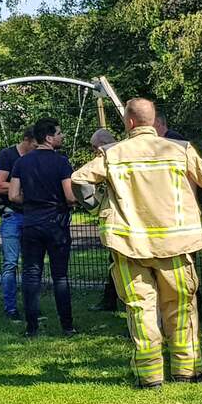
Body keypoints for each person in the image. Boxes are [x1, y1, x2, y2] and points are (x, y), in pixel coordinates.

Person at [72, 98, 202, 388]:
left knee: (141, 309)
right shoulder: (179, 149)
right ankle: (187, 370)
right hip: (176, 244)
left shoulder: (112, 153)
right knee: (181, 307)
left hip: (128, 246)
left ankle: (149, 376)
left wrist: (97, 208)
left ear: (129, 122)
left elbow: (79, 180)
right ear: (153, 120)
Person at [9, 118, 76, 337]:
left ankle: (32, 328)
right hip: (56, 223)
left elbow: (12, 195)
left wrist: (31, 201)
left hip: (31, 223)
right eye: (59, 133)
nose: (61, 136)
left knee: (31, 275)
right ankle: (67, 326)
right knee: (60, 276)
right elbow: (69, 196)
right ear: (48, 137)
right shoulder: (62, 162)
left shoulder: (22, 162)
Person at [0, 128, 37, 320]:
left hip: (31, 215)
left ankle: (31, 306)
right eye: (34, 144)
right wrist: (22, 188)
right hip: (12, 215)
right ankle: (10, 307)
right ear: (26, 140)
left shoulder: (36, 157)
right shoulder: (7, 155)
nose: (36, 148)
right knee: (11, 263)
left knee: (31, 264)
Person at [88, 128, 122, 313]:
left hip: (119, 221)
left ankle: (115, 300)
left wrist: (92, 205)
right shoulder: (125, 152)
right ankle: (110, 299)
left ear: (101, 145)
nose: (94, 152)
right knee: (114, 264)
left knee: (118, 264)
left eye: (94, 147)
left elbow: (81, 179)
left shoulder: (109, 158)